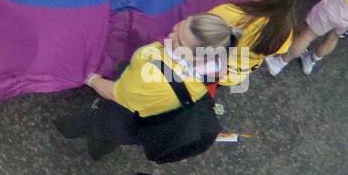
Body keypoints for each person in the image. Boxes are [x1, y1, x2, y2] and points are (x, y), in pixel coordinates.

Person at [53, 14, 232, 161]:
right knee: (117, 133)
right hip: (155, 113)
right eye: (180, 26)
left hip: (129, 113)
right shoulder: (215, 61)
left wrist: (91, 78)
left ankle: (81, 138)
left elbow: (114, 93)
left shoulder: (155, 79)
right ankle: (99, 148)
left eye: (179, 41)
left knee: (103, 126)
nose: (172, 34)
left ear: (197, 57)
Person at [209, 0, 300, 87]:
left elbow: (199, 30)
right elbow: (276, 51)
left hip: (208, 68)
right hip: (235, 75)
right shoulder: (286, 30)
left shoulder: (229, 13)